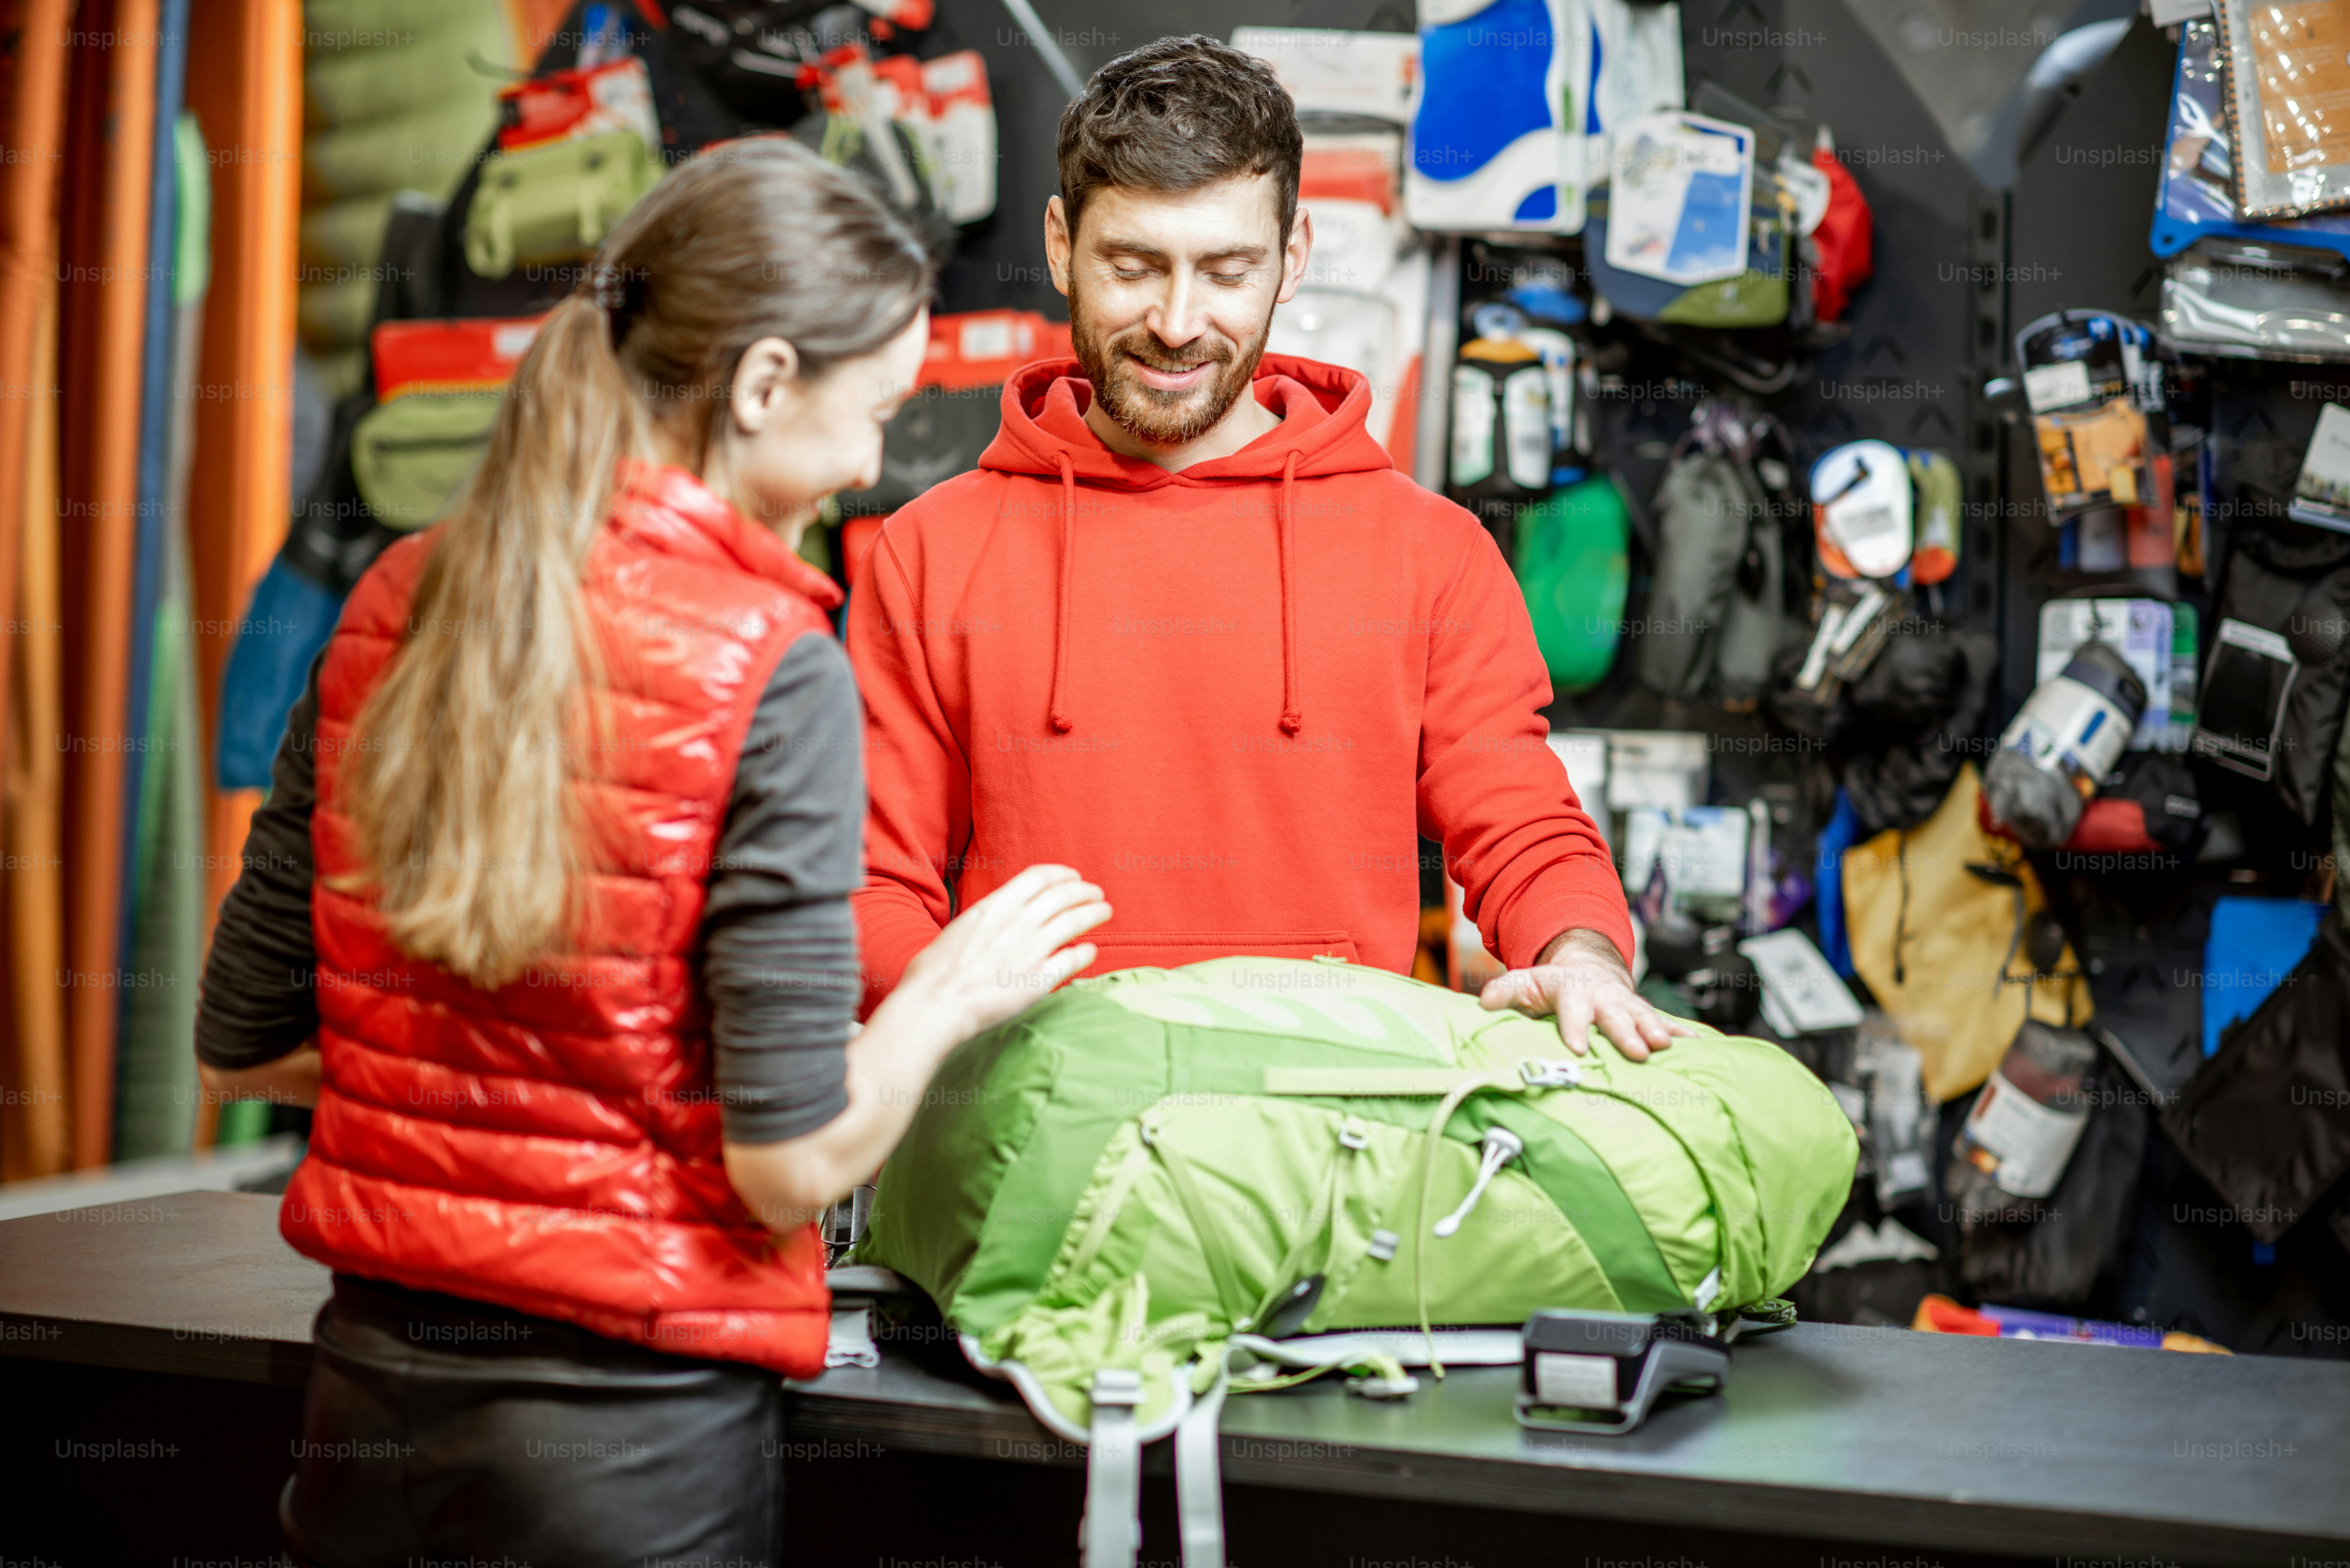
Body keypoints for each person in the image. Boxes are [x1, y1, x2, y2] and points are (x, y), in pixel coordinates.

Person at [191, 139, 1109, 1568]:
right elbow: (789, 1163)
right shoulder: (772, 661)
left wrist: (519, 1076)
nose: (874, 460)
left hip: (369, 1411)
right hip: (632, 1448)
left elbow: (243, 1046)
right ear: (759, 389)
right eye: (871, 410)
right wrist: (950, 990)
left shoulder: (395, 598)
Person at [849, 36, 1687, 1059]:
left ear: (1292, 258)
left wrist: (1583, 955)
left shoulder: (1431, 553)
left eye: (1227, 270)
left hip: (1334, 1150)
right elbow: (873, 880)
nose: (1175, 320)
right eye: (1133, 266)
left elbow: (1521, 822)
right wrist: (964, 1027)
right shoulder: (931, 551)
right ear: (1062, 245)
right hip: (1041, 1142)